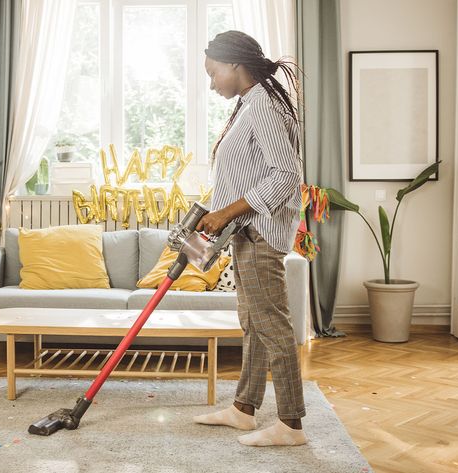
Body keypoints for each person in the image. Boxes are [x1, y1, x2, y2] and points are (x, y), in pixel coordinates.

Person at [192, 30, 307, 447]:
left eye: (213, 73)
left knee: (272, 325)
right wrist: (214, 213)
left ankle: (291, 424)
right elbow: (246, 173)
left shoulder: (264, 105)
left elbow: (285, 176)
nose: (211, 83)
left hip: (260, 232)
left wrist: (227, 212)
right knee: (253, 323)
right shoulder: (249, 104)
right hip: (244, 231)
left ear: (235, 66)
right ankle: (244, 409)